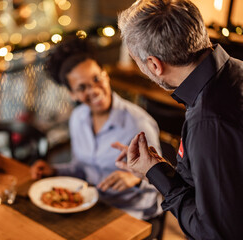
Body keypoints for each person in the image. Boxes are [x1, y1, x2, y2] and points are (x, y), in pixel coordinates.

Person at [116, 0, 243, 239]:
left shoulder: (209, 122)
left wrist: (156, 174)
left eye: (137, 61)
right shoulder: (234, 71)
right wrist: (156, 169)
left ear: (154, 64)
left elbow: (215, 233)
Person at [30, 36, 163, 237]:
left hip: (133, 216)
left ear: (105, 75)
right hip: (92, 207)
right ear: (72, 94)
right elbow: (81, 169)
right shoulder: (77, 118)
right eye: (82, 88)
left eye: (96, 79)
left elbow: (163, 184)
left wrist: (135, 178)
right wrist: (53, 170)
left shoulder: (138, 124)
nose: (93, 90)